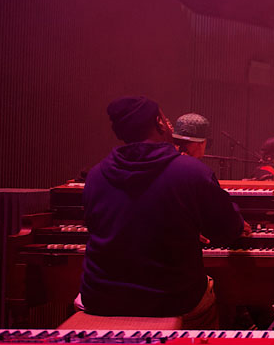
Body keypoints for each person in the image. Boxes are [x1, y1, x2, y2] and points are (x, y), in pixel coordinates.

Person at [78, 96, 247, 327]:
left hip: (101, 298)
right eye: (166, 119)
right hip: (172, 301)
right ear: (159, 123)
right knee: (224, 297)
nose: (169, 125)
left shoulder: (96, 175)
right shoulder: (192, 172)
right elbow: (227, 231)